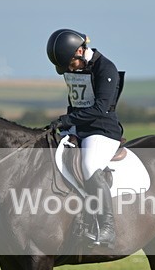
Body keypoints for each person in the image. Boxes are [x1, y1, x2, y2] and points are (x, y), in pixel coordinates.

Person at [46, 28, 124, 248]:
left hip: (102, 130)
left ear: (80, 50)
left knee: (89, 165)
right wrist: (66, 127)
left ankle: (108, 227)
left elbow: (100, 108)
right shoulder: (74, 65)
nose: (69, 69)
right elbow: (76, 102)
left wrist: (66, 120)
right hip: (78, 127)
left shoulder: (106, 69)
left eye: (71, 63)